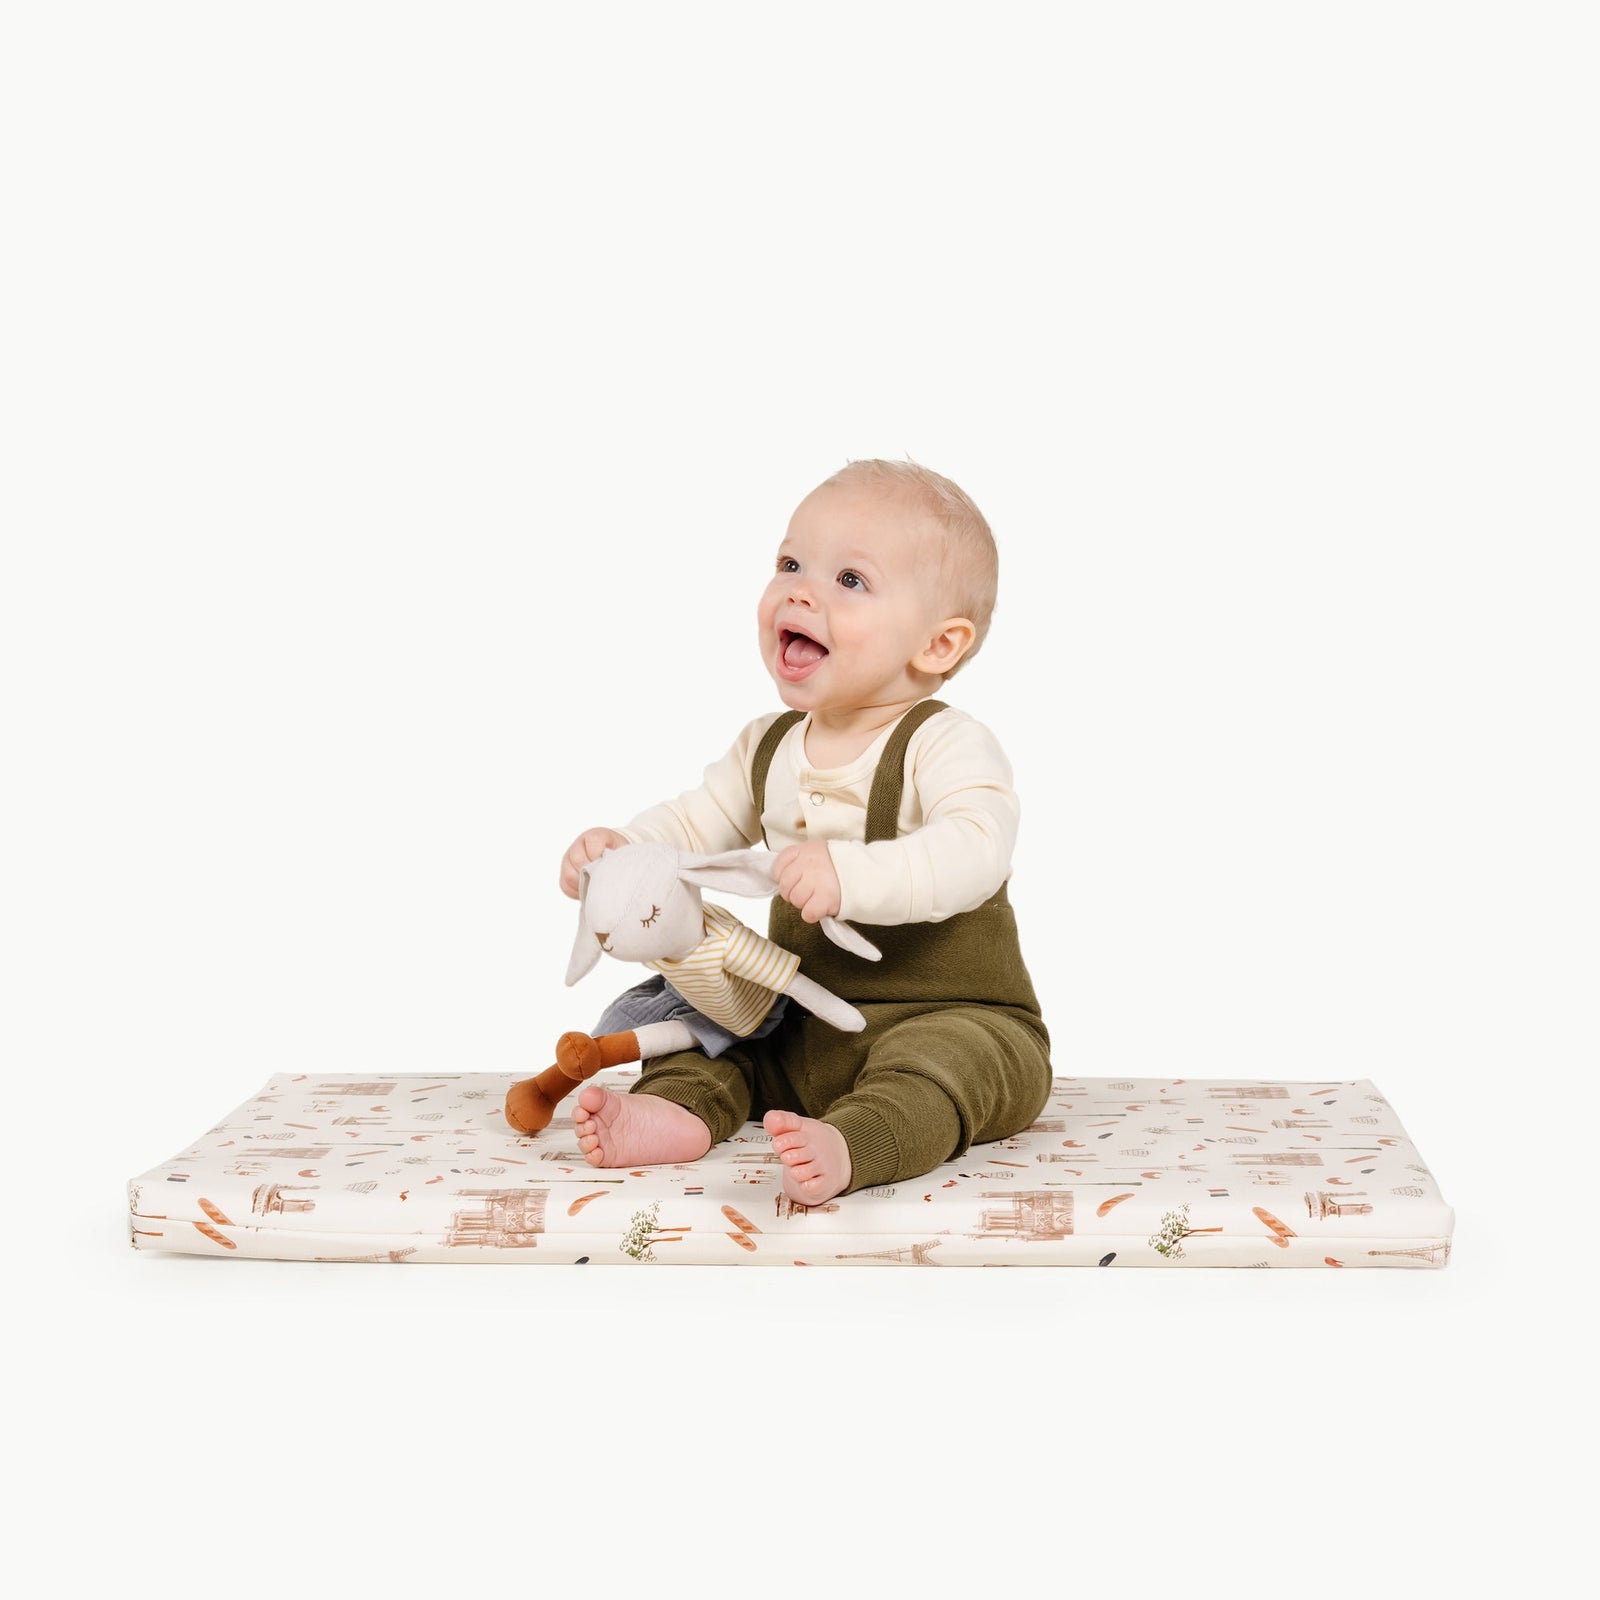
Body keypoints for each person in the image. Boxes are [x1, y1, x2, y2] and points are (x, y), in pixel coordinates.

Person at [559, 457, 1052, 1207]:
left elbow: (977, 849)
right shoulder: (768, 746)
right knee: (706, 1034)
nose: (800, 588)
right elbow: (691, 825)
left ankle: (860, 1142)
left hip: (951, 1012)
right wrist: (618, 854)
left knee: (951, 1067)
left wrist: (851, 874)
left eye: (849, 580)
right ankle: (676, 1112)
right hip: (800, 1021)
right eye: (791, 562)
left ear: (938, 645)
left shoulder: (943, 744)